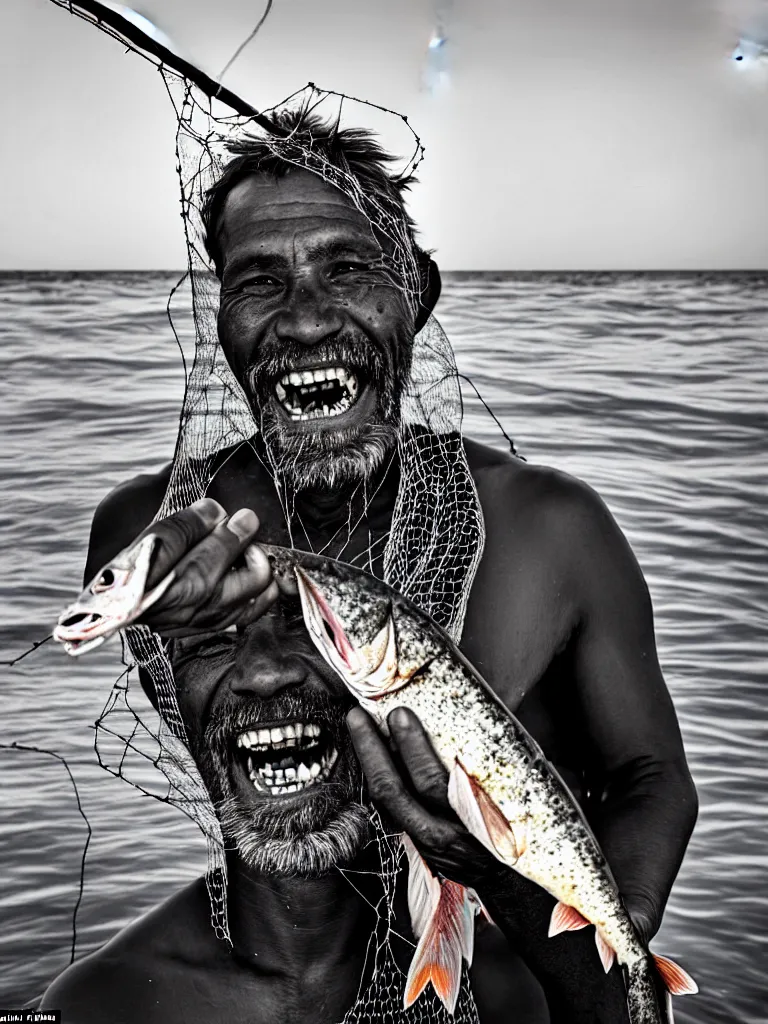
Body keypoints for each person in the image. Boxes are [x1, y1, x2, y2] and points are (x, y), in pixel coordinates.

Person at [41, 111, 697, 1023]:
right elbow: (261, 760)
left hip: (514, 953)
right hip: (266, 956)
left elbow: (650, 775)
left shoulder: (552, 529)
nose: (306, 321)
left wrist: (605, 947)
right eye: (259, 280)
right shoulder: (147, 531)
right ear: (220, 314)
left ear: (417, 294)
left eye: (349, 269)